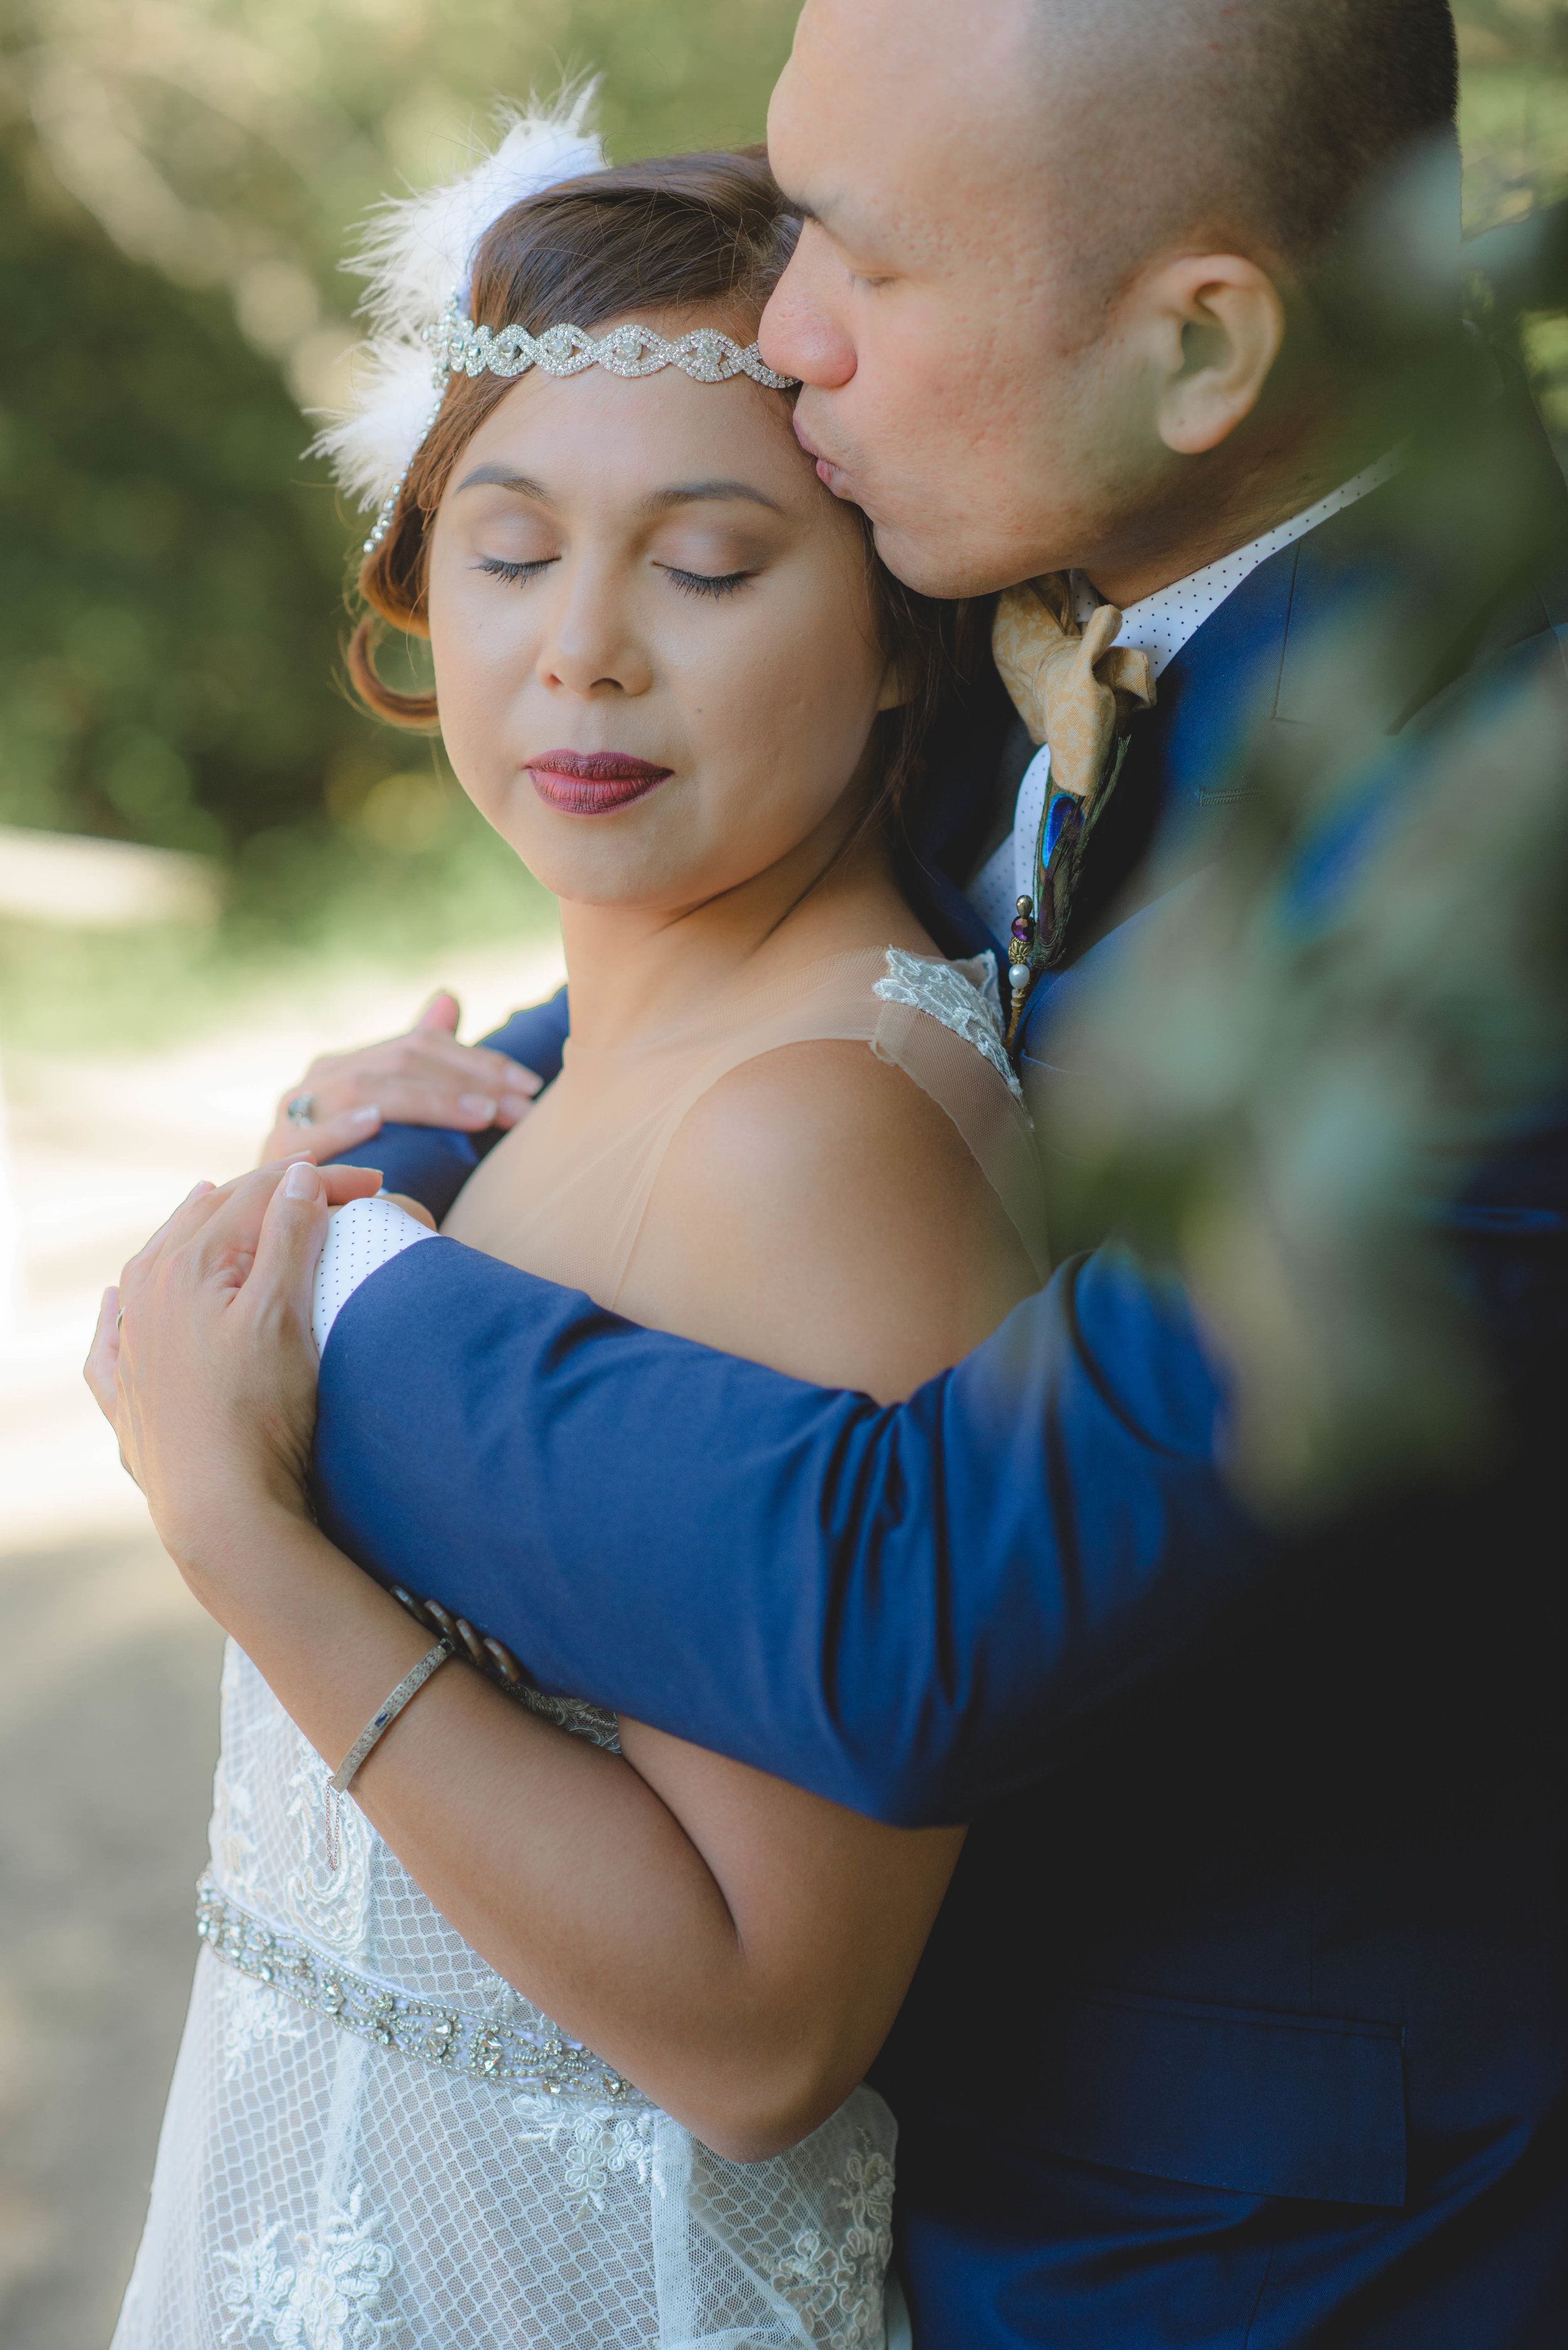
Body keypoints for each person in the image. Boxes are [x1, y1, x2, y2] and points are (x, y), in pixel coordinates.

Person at [98, 3, 1568, 2345]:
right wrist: (448, 1117)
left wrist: (335, 1314)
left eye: (861, 268)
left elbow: (926, 1612)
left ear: (1202, 342)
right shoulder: (1063, 567)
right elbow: (859, 946)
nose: (785, 337)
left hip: (1268, 2253)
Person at [94, 134, 1052, 2349]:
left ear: (900, 637)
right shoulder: (575, 1067)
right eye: (510, 552)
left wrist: (243, 1536)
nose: (582, 655)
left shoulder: (805, 1140)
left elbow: (758, 2032)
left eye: (708, 569)